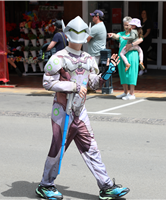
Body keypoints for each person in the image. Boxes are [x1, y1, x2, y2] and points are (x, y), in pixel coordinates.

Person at [35, 16, 130, 200]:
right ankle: (45, 185)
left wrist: (108, 71)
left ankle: (106, 186)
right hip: (62, 111)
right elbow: (47, 82)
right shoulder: (59, 57)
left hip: (80, 112)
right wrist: (73, 87)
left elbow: (94, 82)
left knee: (91, 148)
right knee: (58, 148)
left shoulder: (88, 58)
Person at [108, 16, 143, 100]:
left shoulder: (135, 33)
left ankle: (132, 93)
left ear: (131, 25)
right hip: (122, 56)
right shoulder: (121, 34)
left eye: (127, 25)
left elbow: (141, 39)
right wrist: (112, 35)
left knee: (131, 74)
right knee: (123, 73)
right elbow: (117, 36)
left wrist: (131, 45)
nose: (126, 27)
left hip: (132, 55)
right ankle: (125, 92)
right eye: (124, 25)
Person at [139, 10, 152, 76]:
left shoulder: (148, 22)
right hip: (140, 40)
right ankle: (144, 68)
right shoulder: (140, 22)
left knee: (143, 54)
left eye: (144, 13)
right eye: (142, 13)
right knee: (141, 54)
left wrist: (143, 37)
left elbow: (148, 31)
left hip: (145, 40)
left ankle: (143, 68)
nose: (143, 14)